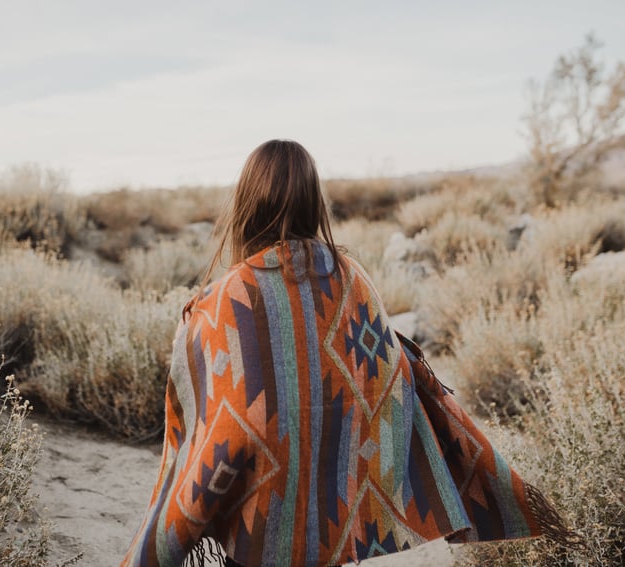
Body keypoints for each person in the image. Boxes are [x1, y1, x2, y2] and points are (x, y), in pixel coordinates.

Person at [122, 140, 576, 567]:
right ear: (313, 201)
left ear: (245, 202)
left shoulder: (226, 299)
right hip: (334, 518)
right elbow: (388, 373)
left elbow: (216, 413)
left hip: (257, 518)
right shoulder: (352, 277)